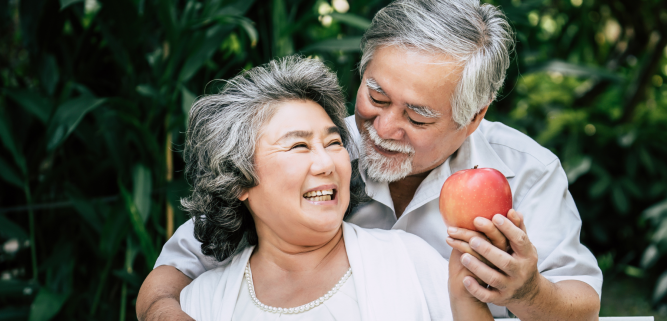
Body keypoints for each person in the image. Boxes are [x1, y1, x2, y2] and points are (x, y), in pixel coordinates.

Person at [137, 1, 602, 320]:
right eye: (376, 95)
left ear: (474, 117)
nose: (381, 128)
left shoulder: (526, 171)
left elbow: (582, 302)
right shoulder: (322, 150)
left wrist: (528, 292)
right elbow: (178, 267)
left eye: (417, 117)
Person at [173, 56, 493, 320]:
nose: (327, 163)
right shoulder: (200, 302)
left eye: (334, 142)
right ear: (238, 179)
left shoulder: (410, 260)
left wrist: (468, 302)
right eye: (299, 145)